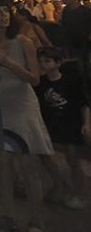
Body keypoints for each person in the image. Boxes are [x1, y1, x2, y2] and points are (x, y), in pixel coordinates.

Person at [0, 1, 53, 232]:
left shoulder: (23, 41)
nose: (3, 15)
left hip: (22, 107)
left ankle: (36, 219)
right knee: (4, 165)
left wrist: (8, 62)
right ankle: (7, 215)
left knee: (28, 164)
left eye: (5, 10)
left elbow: (35, 78)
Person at [35, 45, 90, 211]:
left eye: (47, 61)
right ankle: (59, 184)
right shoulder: (41, 83)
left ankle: (78, 193)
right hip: (51, 123)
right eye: (42, 61)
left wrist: (86, 123)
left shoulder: (70, 81)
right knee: (43, 154)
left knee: (73, 159)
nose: (43, 64)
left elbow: (83, 103)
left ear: (57, 63)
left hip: (70, 123)